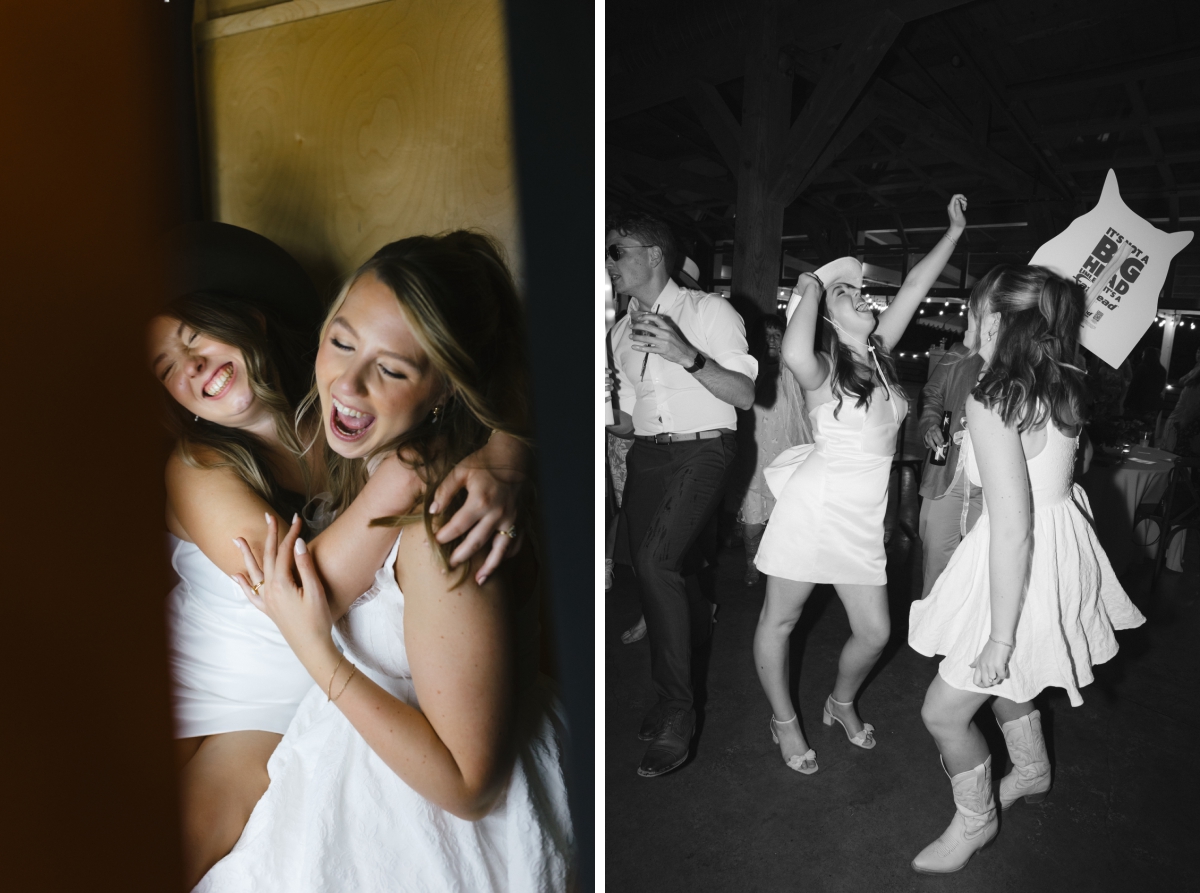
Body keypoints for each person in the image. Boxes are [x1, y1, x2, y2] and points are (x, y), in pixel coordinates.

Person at [150, 223, 527, 887]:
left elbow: (490, 375)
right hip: (215, 690)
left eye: (193, 337)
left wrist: (506, 450)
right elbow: (300, 587)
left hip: (284, 700)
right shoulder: (196, 464)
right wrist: (417, 462)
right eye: (166, 370)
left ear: (251, 319)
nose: (191, 367)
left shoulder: (339, 415)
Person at [907, 265, 1145, 874]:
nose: (965, 316)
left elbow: (1013, 528)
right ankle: (1033, 771)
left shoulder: (998, 400)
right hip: (1052, 550)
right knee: (1008, 681)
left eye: (973, 306)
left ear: (994, 318)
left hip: (1019, 560)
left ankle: (977, 821)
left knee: (944, 710)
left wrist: (1001, 632)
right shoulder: (1059, 381)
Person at [753, 194, 969, 775]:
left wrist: (952, 235)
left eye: (860, 292)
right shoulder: (822, 370)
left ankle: (838, 701)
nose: (862, 297)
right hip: (815, 508)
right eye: (847, 296)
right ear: (826, 316)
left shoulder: (880, 356)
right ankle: (784, 721)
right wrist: (813, 285)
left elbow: (915, 288)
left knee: (875, 633)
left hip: (861, 521)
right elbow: (795, 347)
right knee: (780, 620)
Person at [605, 209, 757, 778]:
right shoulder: (618, 332)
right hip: (648, 454)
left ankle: (678, 711)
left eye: (616, 250)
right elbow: (625, 419)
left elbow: (744, 395)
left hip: (704, 450)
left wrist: (685, 354)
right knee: (658, 575)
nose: (608, 262)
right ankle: (668, 690)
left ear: (653, 254)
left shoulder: (710, 311)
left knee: (656, 561)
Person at [738, 314, 811, 586]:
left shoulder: (795, 373)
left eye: (776, 335)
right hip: (754, 459)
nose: (771, 340)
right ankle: (752, 564)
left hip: (786, 459)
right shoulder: (748, 372)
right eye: (766, 335)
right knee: (752, 524)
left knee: (785, 521)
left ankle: (781, 567)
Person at [917, 342, 985, 599]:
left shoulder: (1023, 355)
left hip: (994, 483)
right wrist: (931, 423)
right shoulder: (961, 352)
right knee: (936, 565)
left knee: (981, 570)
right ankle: (929, 634)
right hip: (948, 473)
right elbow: (932, 393)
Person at [1125, 343, 1167, 429]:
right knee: (1148, 428)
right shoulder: (1162, 371)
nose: (1142, 356)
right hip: (1153, 405)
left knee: (1135, 428)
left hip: (1139, 404)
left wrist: (1127, 402)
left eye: (1143, 354)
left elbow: (1134, 386)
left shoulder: (1142, 368)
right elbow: (1160, 387)